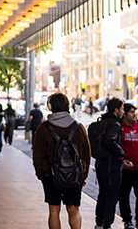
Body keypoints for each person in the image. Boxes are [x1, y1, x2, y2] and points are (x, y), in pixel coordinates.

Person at [32, 92, 91, 229]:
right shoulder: (79, 127)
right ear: (67, 106)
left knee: (54, 210)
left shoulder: (44, 128)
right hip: (74, 175)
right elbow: (86, 154)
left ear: (50, 106)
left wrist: (41, 173)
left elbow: (38, 154)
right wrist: (83, 175)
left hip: (51, 175)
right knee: (74, 209)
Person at [94, 97, 125, 229]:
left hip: (100, 164)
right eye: (122, 109)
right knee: (112, 196)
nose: (123, 112)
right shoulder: (115, 124)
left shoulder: (102, 121)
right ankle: (107, 224)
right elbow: (110, 140)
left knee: (103, 193)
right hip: (111, 166)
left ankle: (99, 222)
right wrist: (121, 153)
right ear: (116, 110)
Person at [118, 103, 138, 229]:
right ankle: (127, 220)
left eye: (135, 111)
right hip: (125, 169)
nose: (134, 114)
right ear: (124, 114)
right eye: (131, 112)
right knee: (124, 195)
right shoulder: (119, 128)